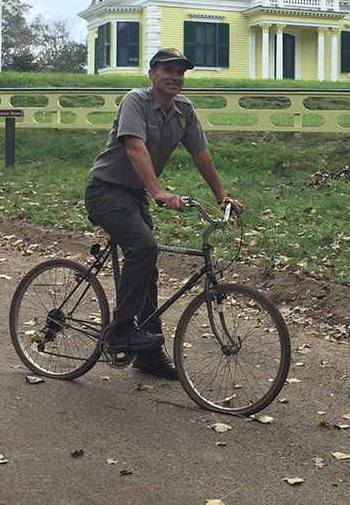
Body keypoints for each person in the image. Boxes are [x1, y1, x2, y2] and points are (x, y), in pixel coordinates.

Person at [84, 48, 243, 380]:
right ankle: (120, 330)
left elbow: (199, 152)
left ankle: (148, 354)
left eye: (181, 72)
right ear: (152, 74)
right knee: (144, 248)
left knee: (147, 269)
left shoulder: (184, 110)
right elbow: (133, 147)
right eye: (168, 70)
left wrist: (221, 195)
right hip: (106, 191)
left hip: (134, 196)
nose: (175, 77)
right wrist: (158, 191)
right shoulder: (135, 101)